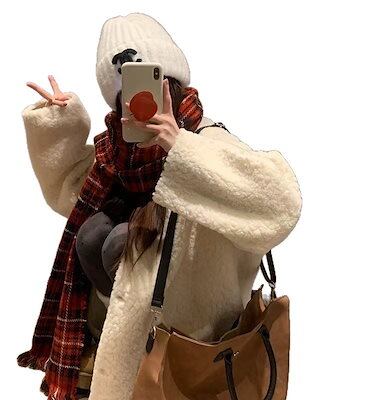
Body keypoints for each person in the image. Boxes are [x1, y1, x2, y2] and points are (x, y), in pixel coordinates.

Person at [17, 12, 303, 400]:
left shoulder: (206, 138)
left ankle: (137, 348)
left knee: (121, 243)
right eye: (123, 91)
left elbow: (280, 204)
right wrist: (59, 122)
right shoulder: (117, 151)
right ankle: (118, 343)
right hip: (133, 322)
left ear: (172, 82)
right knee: (94, 235)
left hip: (193, 326)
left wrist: (178, 145)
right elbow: (70, 187)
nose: (139, 98)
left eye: (152, 81)